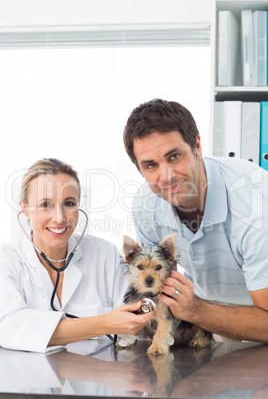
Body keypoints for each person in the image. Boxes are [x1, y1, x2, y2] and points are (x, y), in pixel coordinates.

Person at [123, 98, 268, 343]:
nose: (166, 176)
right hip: (207, 317)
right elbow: (161, 288)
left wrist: (196, 311)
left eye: (174, 156)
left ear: (197, 146)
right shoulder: (146, 204)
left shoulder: (254, 201)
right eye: (150, 165)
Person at [0, 158, 153, 352]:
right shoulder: (7, 260)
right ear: (24, 208)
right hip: (29, 379)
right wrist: (105, 322)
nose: (59, 217)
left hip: (103, 375)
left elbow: (133, 326)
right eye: (45, 204)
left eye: (69, 203)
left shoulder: (104, 254)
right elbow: (8, 327)